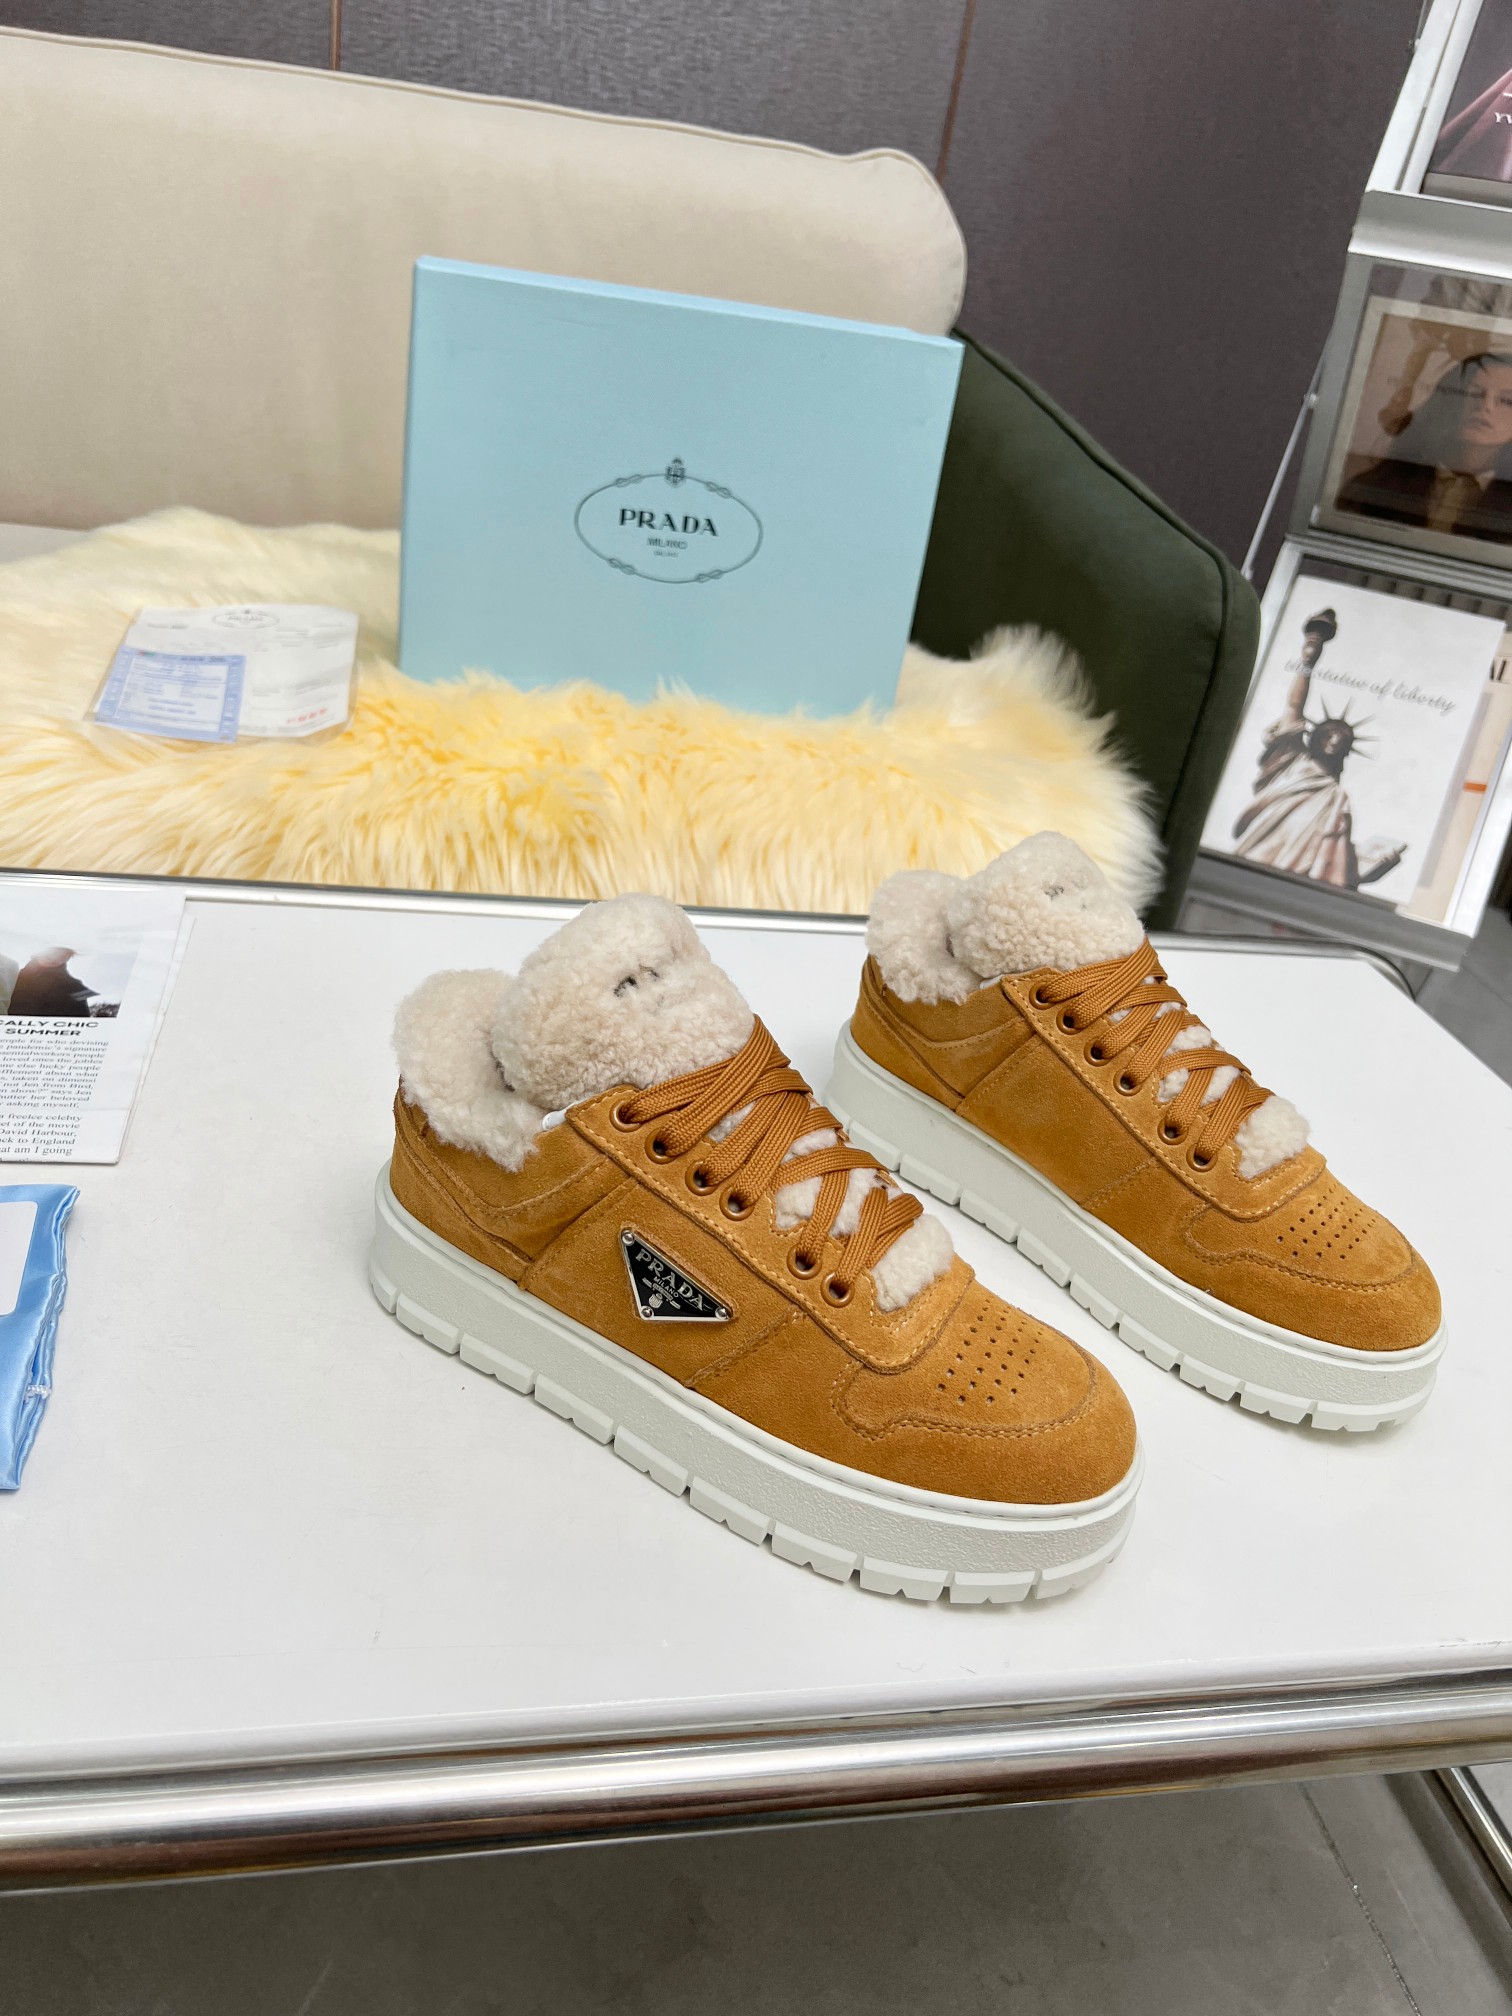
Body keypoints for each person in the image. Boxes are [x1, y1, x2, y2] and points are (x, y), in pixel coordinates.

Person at [1231, 610, 1405, 891]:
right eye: (1329, 734)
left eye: (1342, 738)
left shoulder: (1337, 799)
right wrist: (1308, 662)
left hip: (1298, 887)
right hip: (1258, 856)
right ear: (1315, 738)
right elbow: (1293, 707)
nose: (1335, 740)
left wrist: (1378, 864)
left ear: (1347, 751)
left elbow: (1337, 864)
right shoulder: (1291, 760)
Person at [1337, 350, 1512, 544]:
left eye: (1507, 400)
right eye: (1475, 392)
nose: (1486, 406)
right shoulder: (1372, 486)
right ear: (1451, 399)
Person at [6, 946, 96, 1017]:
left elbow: (80, 1026)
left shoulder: (74, 988)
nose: (56, 957)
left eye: (63, 953)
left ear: (68, 956)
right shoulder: (10, 979)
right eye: (52, 951)